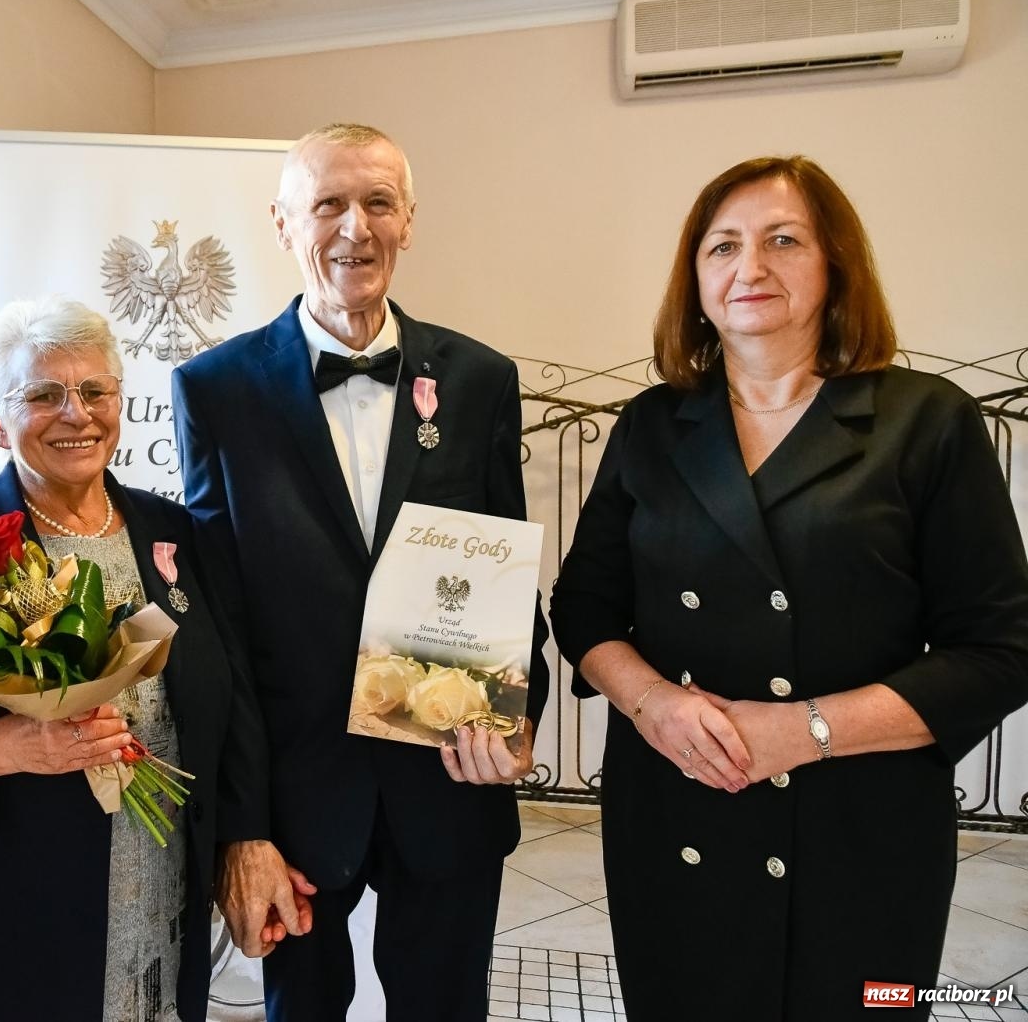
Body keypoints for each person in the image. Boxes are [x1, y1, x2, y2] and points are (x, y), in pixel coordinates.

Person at [550, 155, 1028, 1021]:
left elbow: (1000, 651)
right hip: (677, 803)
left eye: (783, 241)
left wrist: (805, 731)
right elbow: (584, 607)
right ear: (695, 281)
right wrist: (653, 702)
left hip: (863, 820)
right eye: (722, 246)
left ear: (835, 263)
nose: (750, 267)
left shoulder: (926, 421)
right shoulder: (652, 426)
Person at [171, 122, 550, 1022]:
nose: (356, 228)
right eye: (329, 204)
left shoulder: (482, 379)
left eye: (378, 203)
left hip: (447, 777)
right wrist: (243, 822)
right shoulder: (215, 389)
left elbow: (505, 568)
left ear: (409, 220)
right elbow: (218, 625)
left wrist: (511, 706)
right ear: (283, 223)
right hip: (298, 792)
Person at [0, 298, 243, 1022]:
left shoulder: (178, 534)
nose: (76, 413)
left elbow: (230, 700)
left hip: (157, 906)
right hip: (3, 932)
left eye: (95, 391)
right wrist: (10, 745)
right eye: (43, 394)